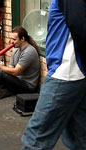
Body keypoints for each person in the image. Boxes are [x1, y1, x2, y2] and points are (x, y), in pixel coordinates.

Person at [21, 0, 86, 149]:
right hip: (76, 74)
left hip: (66, 75)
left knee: (36, 140)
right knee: (79, 137)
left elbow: (80, 27)